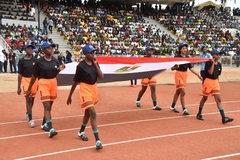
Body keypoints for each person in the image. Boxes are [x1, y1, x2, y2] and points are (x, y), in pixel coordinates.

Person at [67, 44, 104, 150]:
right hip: (85, 89)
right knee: (92, 112)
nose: (93, 54)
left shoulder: (95, 63)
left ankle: (81, 132)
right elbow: (75, 82)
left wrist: (96, 65)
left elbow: (101, 77)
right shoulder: (81, 66)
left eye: (94, 52)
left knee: (87, 113)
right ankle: (97, 140)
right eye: (91, 52)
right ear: (85, 54)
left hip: (94, 89)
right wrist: (70, 95)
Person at [26, 42, 65, 138]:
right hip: (43, 83)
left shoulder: (55, 61)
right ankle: (51, 129)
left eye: (52, 48)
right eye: (49, 48)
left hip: (53, 83)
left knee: (50, 106)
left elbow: (55, 74)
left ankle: (44, 124)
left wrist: (59, 70)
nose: (51, 50)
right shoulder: (39, 62)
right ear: (43, 50)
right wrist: (29, 89)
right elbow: (34, 76)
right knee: (47, 106)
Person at [196, 49, 234, 124]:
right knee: (204, 98)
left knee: (218, 99)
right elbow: (210, 72)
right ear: (213, 55)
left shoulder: (219, 64)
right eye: (217, 54)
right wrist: (213, 63)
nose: (219, 56)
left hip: (215, 82)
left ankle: (223, 118)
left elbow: (218, 74)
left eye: (219, 55)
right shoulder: (208, 63)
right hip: (208, 82)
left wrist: (217, 82)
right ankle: (199, 113)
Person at [170, 43, 202, 115]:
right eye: (183, 48)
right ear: (180, 49)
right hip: (178, 74)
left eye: (186, 48)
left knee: (178, 92)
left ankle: (172, 106)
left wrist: (198, 75)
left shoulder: (187, 58)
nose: (185, 49)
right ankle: (184, 109)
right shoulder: (176, 57)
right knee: (183, 92)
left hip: (185, 75)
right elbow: (172, 68)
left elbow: (191, 68)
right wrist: (176, 67)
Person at [17, 44, 38, 128]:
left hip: (34, 80)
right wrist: (18, 86)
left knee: (32, 99)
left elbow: (38, 72)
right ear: (25, 50)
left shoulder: (35, 60)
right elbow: (19, 74)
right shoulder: (22, 61)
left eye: (32, 49)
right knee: (28, 99)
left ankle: (28, 113)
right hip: (25, 80)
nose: (30, 50)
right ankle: (30, 119)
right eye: (28, 49)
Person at [135, 46, 161, 110]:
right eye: (150, 50)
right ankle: (138, 100)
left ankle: (155, 105)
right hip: (145, 76)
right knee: (143, 89)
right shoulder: (143, 58)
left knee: (153, 89)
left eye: (152, 50)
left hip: (152, 75)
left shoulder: (153, 58)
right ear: (146, 51)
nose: (151, 52)